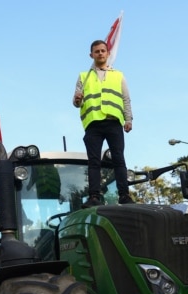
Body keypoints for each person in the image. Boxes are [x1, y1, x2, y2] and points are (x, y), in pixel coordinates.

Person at [72, 39, 134, 208]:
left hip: (113, 123)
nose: (100, 53)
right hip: (93, 124)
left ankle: (124, 195)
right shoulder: (84, 77)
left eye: (102, 51)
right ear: (91, 55)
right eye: (96, 51)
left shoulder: (118, 75)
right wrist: (77, 100)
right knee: (94, 162)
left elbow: (125, 99)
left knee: (119, 159)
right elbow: (77, 101)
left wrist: (128, 119)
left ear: (108, 54)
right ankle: (94, 196)